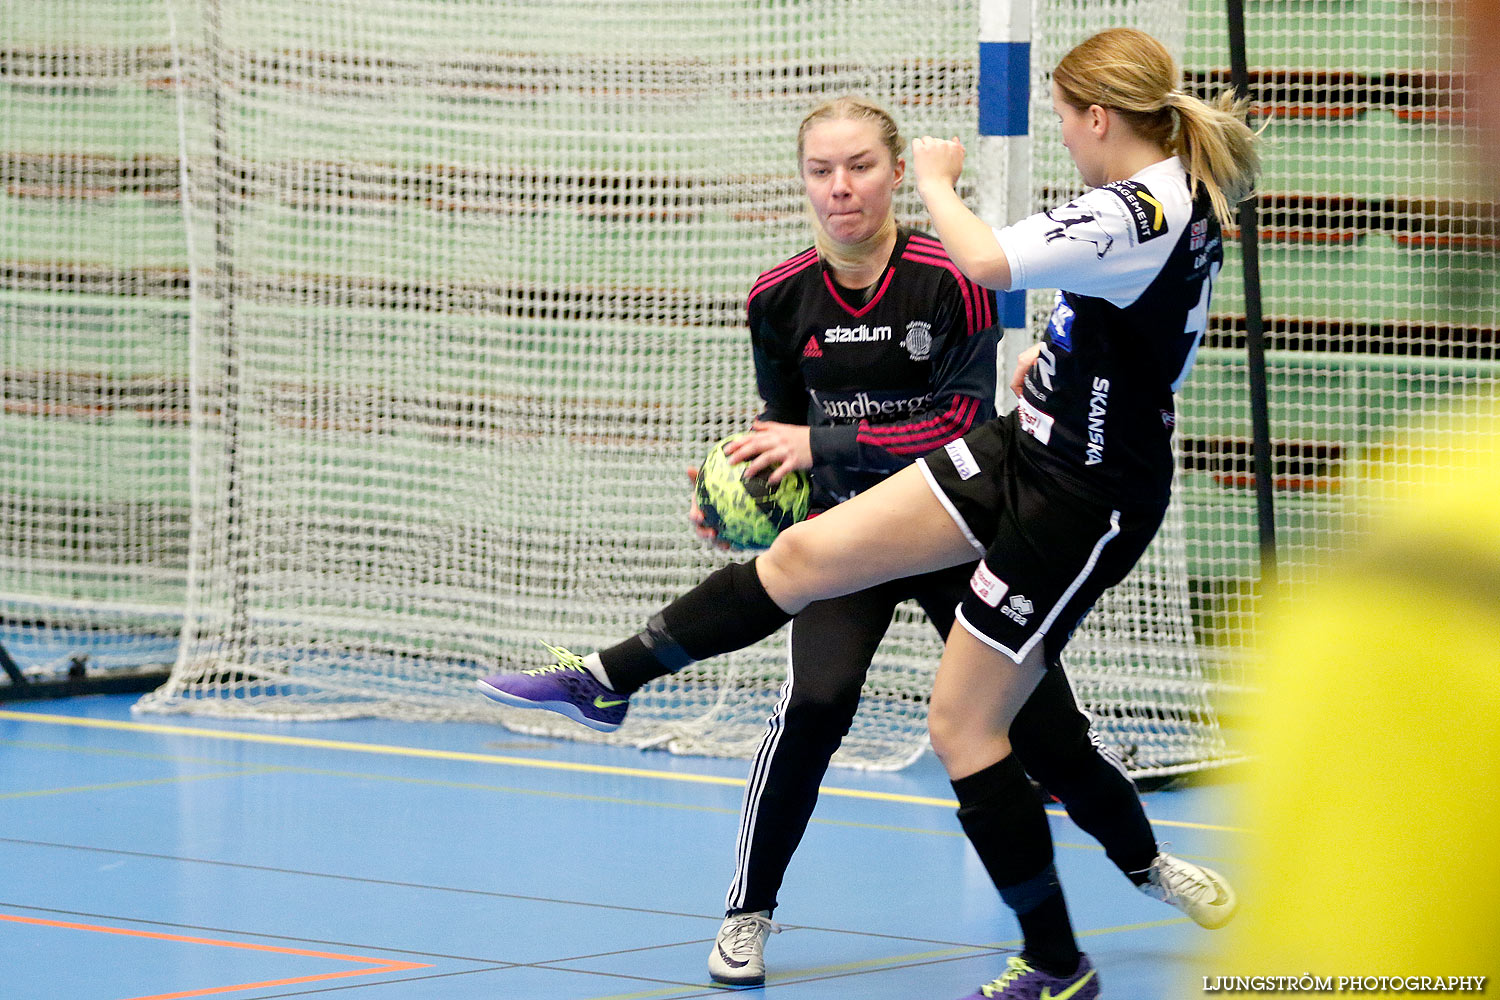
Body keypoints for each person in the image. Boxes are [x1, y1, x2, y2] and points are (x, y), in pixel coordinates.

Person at [480, 28, 1259, 999]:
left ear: (1098, 117)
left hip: (1078, 497)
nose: (1062, 135)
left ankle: (1062, 961)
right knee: (805, 558)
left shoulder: (1123, 208)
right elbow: (1126, 325)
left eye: (1063, 119)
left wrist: (939, 177)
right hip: (1031, 444)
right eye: (821, 170)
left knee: (976, 731)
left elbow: (986, 264)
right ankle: (609, 680)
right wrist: (1056, 366)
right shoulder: (1159, 198)